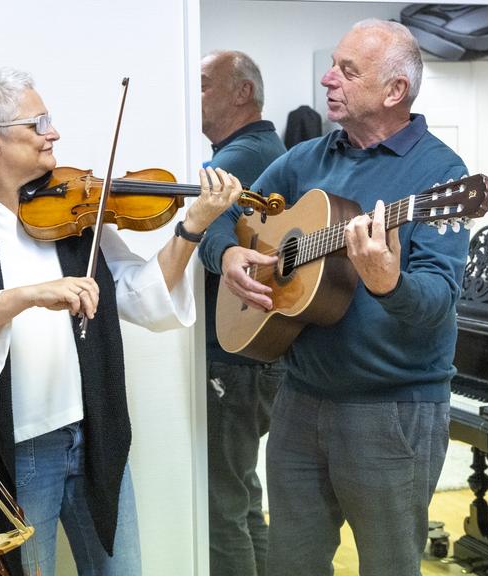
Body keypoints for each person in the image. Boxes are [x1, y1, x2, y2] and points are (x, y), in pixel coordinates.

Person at [0, 68, 242, 576]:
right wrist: (27, 296)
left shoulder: (77, 208)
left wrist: (191, 228)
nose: (54, 133)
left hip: (94, 430)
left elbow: (139, 292)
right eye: (38, 122)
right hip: (16, 450)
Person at [199, 19, 488, 576]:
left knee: (387, 565)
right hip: (299, 400)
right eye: (333, 64)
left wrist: (389, 282)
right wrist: (227, 255)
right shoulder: (306, 159)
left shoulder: (441, 177)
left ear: (393, 91)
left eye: (347, 71)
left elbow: (436, 303)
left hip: (392, 411)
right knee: (291, 563)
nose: (327, 78)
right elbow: (229, 210)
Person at [200, 49, 286, 576]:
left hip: (236, 356)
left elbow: (194, 218)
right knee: (243, 495)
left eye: (204, 84)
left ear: (242, 93)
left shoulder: (242, 156)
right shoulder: (257, 150)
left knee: (220, 506)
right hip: (247, 353)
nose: (194, 95)